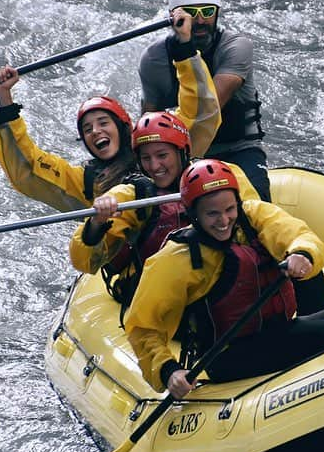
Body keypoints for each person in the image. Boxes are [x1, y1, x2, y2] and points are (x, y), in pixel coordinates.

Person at [124, 159, 324, 398]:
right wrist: (168, 370)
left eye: (229, 210)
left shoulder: (253, 217)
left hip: (278, 331)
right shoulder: (177, 258)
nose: (223, 221)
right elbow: (142, 326)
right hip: (227, 354)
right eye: (212, 214)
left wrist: (302, 253)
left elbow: (298, 234)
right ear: (193, 214)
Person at [0, 7, 221, 212]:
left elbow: (200, 112)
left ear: (122, 128)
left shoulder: (161, 141)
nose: (95, 131)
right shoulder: (86, 183)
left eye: (102, 122)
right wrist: (5, 101)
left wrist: (184, 47)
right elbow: (28, 169)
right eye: (87, 129)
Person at [69, 111, 273, 309]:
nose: (154, 165)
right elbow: (84, 262)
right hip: (163, 298)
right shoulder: (133, 195)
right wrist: (96, 224)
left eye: (162, 155)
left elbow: (259, 219)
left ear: (182, 151)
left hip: (224, 287)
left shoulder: (222, 175)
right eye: (146, 158)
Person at [139, 0, 271, 202]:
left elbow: (207, 110)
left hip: (239, 149)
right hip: (184, 155)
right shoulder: (154, 59)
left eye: (207, 12)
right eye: (190, 13)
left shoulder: (237, 47)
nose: (200, 21)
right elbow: (149, 123)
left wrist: (185, 47)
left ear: (217, 13)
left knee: (256, 203)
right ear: (174, 16)